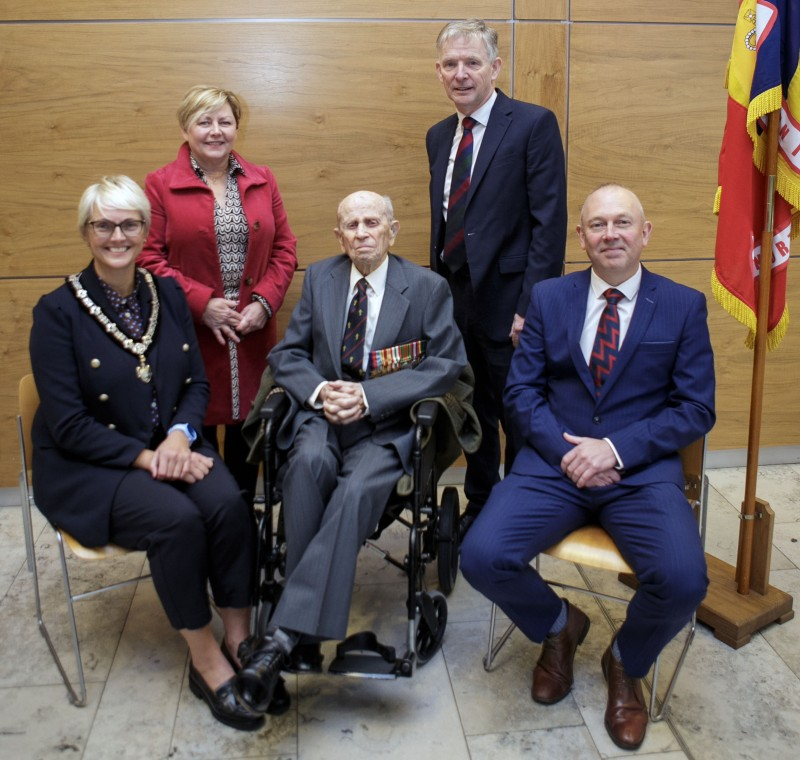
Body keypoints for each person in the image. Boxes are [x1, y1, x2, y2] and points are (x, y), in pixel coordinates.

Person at [460, 184, 716, 751]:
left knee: (683, 582)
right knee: (480, 556)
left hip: (640, 473)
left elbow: (696, 408)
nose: (610, 235)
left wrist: (616, 450)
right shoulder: (550, 297)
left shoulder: (682, 304)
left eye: (623, 223)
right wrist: (571, 453)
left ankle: (626, 660)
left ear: (645, 233)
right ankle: (559, 627)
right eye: (597, 225)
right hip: (554, 465)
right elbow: (520, 393)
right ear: (580, 237)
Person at [28, 176, 277, 731]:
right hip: (89, 467)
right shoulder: (57, 312)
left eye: (130, 224)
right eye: (103, 225)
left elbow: (194, 384)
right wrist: (149, 459)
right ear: (86, 232)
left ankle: (238, 636)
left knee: (231, 502)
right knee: (177, 521)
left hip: (167, 446)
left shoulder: (165, 293)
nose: (117, 235)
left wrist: (178, 438)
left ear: (146, 230)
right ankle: (205, 658)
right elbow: (67, 425)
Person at [233, 191, 468, 711]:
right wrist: (321, 393)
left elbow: (444, 365)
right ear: (339, 236)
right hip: (321, 416)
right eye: (350, 225)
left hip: (386, 424)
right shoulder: (320, 278)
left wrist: (368, 396)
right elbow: (289, 353)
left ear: (392, 229)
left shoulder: (427, 288)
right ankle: (301, 626)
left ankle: (283, 638)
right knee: (307, 463)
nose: (361, 232)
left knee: (358, 487)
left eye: (371, 222)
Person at [427, 19, 568, 539]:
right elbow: (446, 217)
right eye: (450, 64)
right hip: (456, 300)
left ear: (495, 67)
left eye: (472, 63)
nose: (461, 74)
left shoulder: (532, 124)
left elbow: (548, 224)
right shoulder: (439, 135)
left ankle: (527, 511)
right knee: (471, 409)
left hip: (512, 302)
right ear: (438, 70)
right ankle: (482, 505)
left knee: (519, 413)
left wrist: (530, 308)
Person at [139, 85, 297, 505]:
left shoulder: (263, 179)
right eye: (204, 122)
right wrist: (201, 304)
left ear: (236, 128)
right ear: (186, 128)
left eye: (224, 122)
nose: (215, 131)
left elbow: (285, 248)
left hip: (251, 332)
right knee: (198, 437)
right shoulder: (158, 184)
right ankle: (208, 534)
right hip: (191, 333)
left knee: (250, 435)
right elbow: (149, 258)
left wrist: (264, 302)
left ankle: (245, 537)